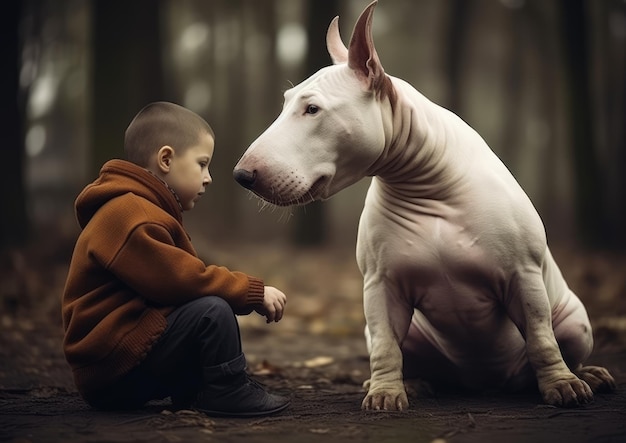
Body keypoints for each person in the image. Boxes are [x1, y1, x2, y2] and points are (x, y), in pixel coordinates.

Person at [61, 101, 290, 417]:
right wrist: (251, 291)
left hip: (120, 357)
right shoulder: (132, 215)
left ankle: (197, 390)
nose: (208, 177)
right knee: (211, 311)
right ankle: (227, 390)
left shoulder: (139, 209)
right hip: (112, 370)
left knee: (195, 309)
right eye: (201, 163)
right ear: (166, 159)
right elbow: (183, 280)